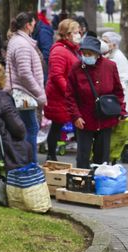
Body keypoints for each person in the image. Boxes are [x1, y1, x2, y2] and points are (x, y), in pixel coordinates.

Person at [66, 36, 126, 169]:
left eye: (90, 54)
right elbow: (70, 95)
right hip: (84, 119)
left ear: (98, 54)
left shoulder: (110, 66)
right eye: (84, 53)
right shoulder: (76, 68)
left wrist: (121, 110)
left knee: (102, 157)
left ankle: (100, 181)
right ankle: (81, 182)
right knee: (83, 155)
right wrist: (76, 116)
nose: (86, 56)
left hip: (105, 117)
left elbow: (118, 91)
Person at [5, 12, 46, 163]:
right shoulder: (22, 44)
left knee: (26, 129)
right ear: (28, 25)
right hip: (25, 94)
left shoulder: (18, 41)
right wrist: (39, 93)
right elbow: (24, 73)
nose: (34, 26)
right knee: (31, 129)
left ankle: (26, 164)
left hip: (22, 93)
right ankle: (30, 165)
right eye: (33, 23)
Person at [44, 19, 81, 161]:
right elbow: (57, 75)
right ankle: (51, 155)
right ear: (67, 35)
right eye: (76, 32)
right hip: (60, 96)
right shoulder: (60, 50)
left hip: (67, 95)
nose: (79, 34)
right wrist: (69, 92)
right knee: (57, 124)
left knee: (69, 124)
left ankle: (81, 155)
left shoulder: (71, 49)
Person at [102, 31, 128, 112]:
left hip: (117, 98)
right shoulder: (107, 55)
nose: (103, 44)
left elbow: (123, 80)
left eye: (106, 42)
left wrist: (120, 101)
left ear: (114, 45)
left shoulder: (119, 57)